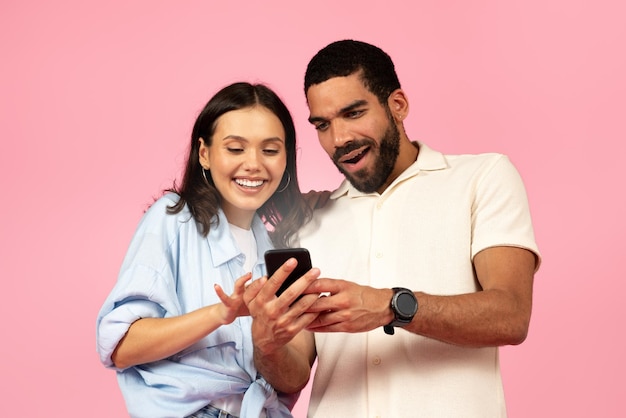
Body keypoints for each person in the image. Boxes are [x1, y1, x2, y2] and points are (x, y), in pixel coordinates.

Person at [246, 40, 541, 417]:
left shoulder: (482, 178)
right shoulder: (311, 218)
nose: (338, 139)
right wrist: (266, 343)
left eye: (353, 113)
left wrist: (390, 306)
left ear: (397, 105)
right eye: (322, 125)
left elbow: (511, 315)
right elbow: (295, 372)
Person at [96, 82, 318, 418]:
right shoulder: (173, 219)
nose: (254, 164)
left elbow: (293, 379)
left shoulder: (278, 252)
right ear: (204, 153)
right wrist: (222, 313)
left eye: (270, 150)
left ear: (287, 158)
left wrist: (267, 339)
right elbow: (121, 347)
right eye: (235, 149)